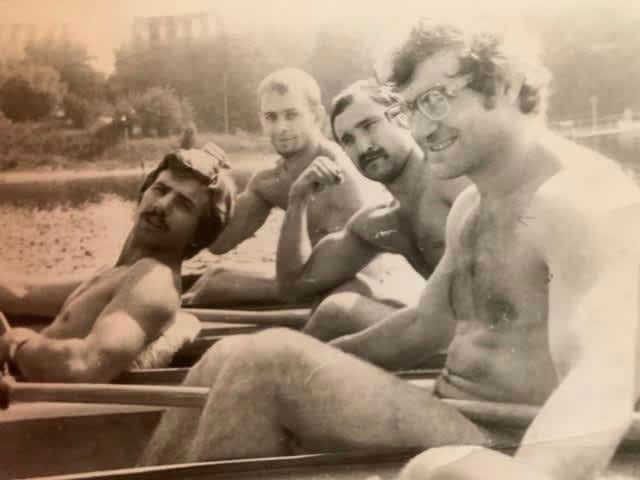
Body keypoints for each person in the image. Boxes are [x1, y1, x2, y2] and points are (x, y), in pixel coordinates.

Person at [140, 19, 640, 480]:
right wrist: (316, 363)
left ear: (506, 85)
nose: (419, 130)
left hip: (514, 445)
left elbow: (604, 378)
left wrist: (535, 474)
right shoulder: (474, 204)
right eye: (409, 109)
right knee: (232, 355)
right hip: (452, 412)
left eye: (435, 101)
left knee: (263, 364)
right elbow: (424, 326)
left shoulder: (581, 199)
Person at [183, 68, 423, 335]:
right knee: (214, 278)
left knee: (217, 286)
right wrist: (208, 181)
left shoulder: (340, 175)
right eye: (271, 117)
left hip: (363, 288)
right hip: (307, 281)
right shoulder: (268, 182)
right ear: (262, 121)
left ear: (316, 116)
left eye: (292, 115)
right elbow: (218, 243)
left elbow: (365, 271)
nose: (281, 128)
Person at [0, 145, 235, 382]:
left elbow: (85, 365)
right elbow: (22, 293)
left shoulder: (154, 280)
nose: (162, 205)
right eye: (160, 190)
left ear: (199, 234)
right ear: (143, 194)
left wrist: (17, 344)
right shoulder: (121, 273)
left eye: (183, 205)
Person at [276, 79, 468, 350]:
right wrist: (297, 199)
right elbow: (294, 285)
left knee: (336, 313)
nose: (364, 147)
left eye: (369, 126)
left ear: (402, 117)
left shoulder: (454, 183)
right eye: (348, 140)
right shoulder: (380, 221)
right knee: (342, 300)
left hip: (498, 344)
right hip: (453, 335)